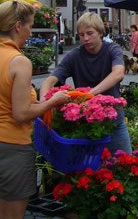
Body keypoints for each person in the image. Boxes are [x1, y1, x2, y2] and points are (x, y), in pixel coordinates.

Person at [0, 0, 69, 219]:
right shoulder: (19, 61)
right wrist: (52, 101)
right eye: (29, 26)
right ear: (17, 26)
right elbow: (21, 113)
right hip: (12, 147)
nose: (31, 32)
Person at [39, 12, 131, 154]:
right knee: (89, 169)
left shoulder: (113, 49)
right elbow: (50, 80)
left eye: (90, 33)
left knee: (125, 163)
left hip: (114, 121)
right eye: (81, 35)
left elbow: (118, 73)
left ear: (100, 32)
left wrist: (89, 94)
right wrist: (44, 102)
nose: (86, 39)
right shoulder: (74, 55)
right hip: (86, 123)